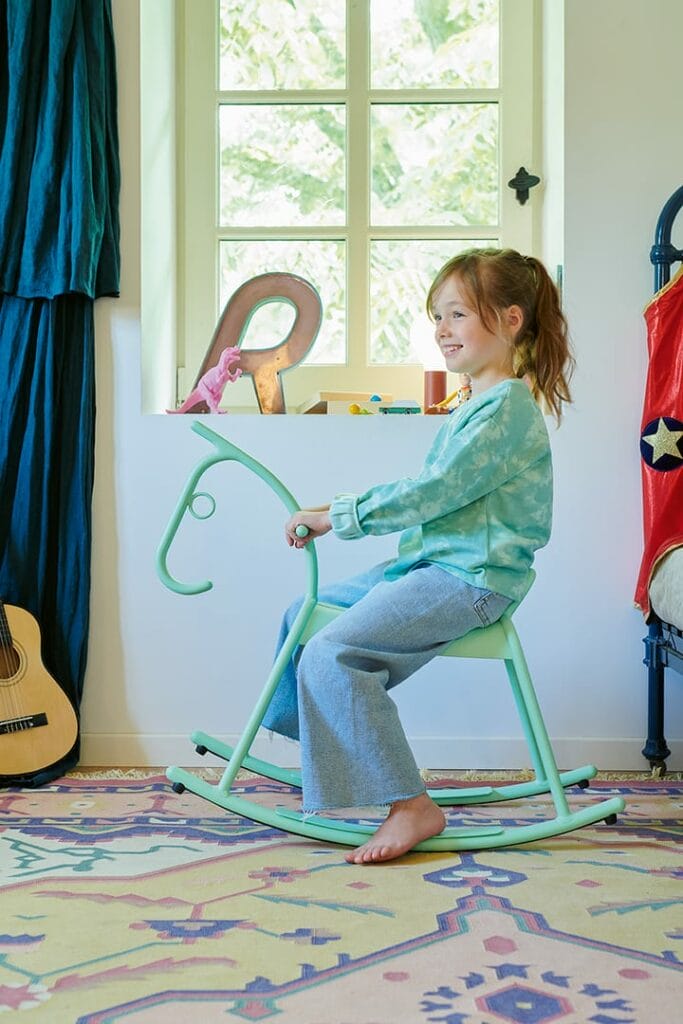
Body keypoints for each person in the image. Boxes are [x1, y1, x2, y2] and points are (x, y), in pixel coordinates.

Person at [261, 248, 574, 864]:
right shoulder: (477, 406)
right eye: (438, 316)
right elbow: (435, 496)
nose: (442, 329)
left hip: (470, 579)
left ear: (511, 320)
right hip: (432, 565)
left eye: (458, 314)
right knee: (305, 611)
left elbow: (435, 492)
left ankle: (409, 804)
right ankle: (336, 755)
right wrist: (341, 507)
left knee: (333, 652)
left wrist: (340, 515)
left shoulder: (507, 409)